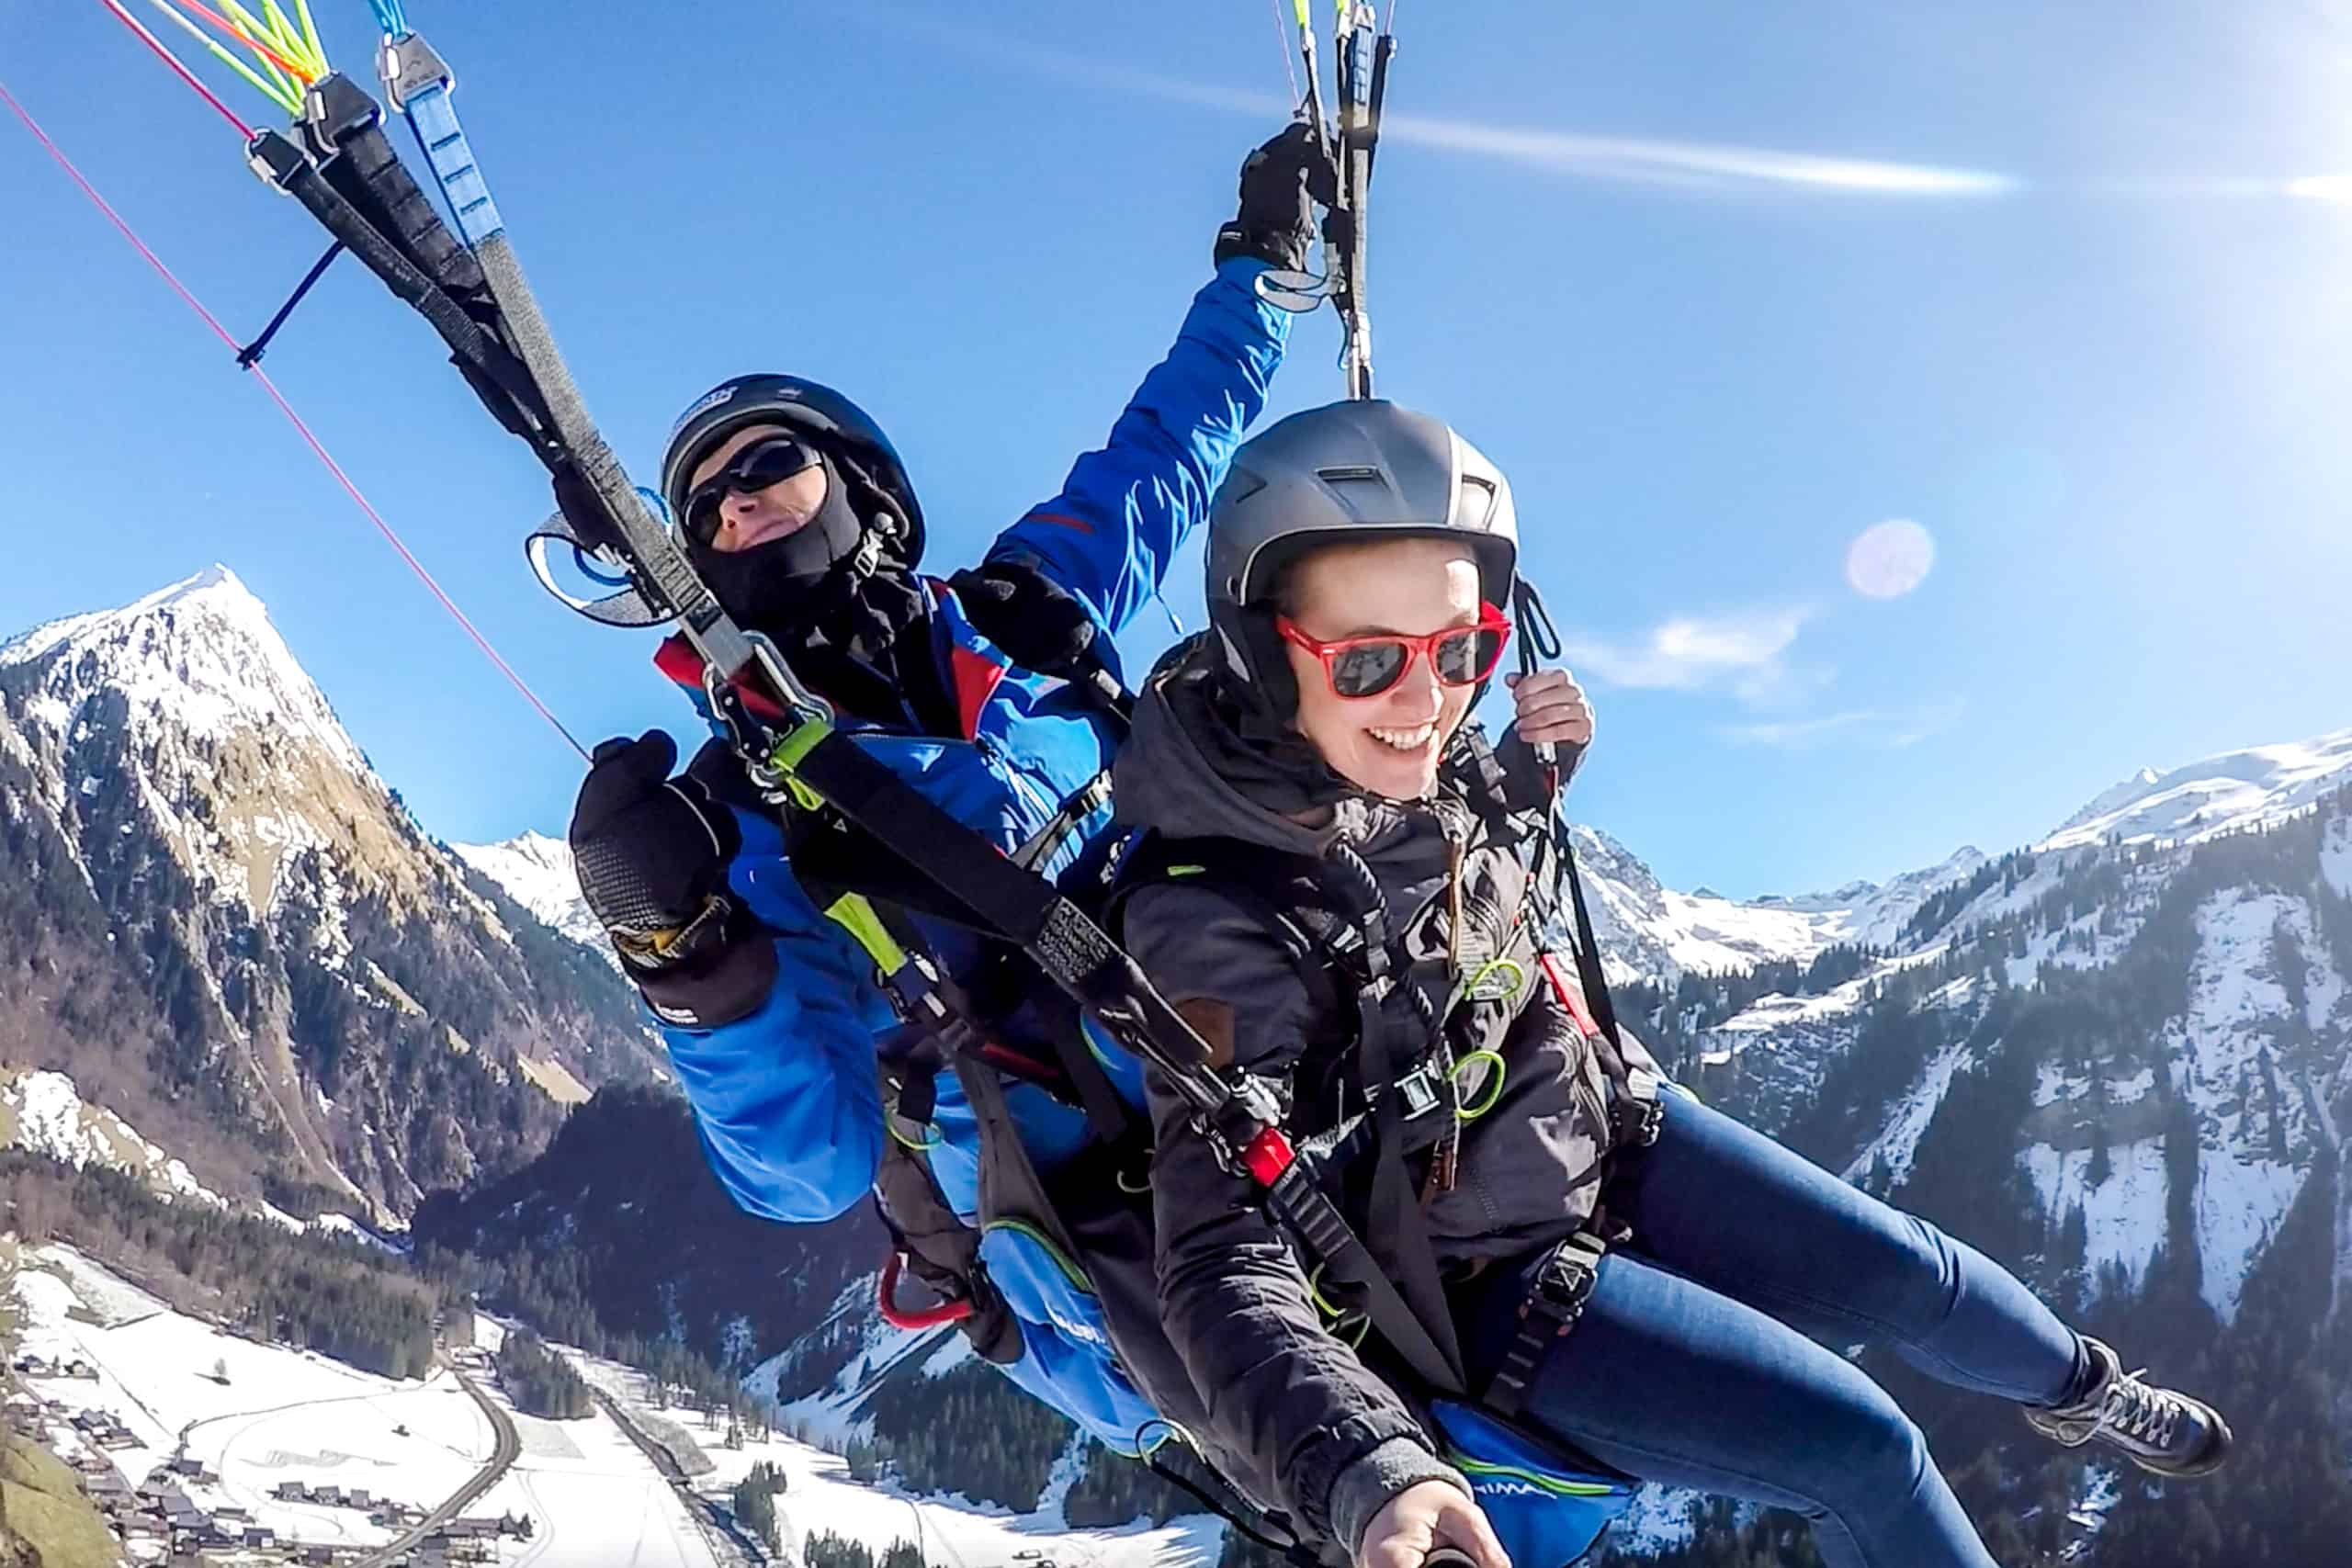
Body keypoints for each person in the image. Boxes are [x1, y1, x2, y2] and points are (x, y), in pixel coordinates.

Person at [1109, 399, 2232, 1568]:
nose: (1427, 701)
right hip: (1496, 1281)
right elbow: (1219, 1260)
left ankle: (2083, 1389)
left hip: (1610, 1124)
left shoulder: (1382, 761)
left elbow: (1421, 882)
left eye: (1463, 650)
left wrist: (1532, 773)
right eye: (1372, 660)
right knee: (1868, 1454)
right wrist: (1368, 1470)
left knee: (1916, 1270)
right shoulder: (1209, 918)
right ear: (1257, 639)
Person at [561, 126, 1324, 1445]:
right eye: (707, 509)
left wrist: (1257, 269)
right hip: (1113, 1259)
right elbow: (809, 1169)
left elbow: (1173, 443)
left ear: (862, 490)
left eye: (765, 468)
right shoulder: (747, 822)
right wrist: (690, 959)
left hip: (1273, 1079)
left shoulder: (1025, 611)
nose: (740, 508)